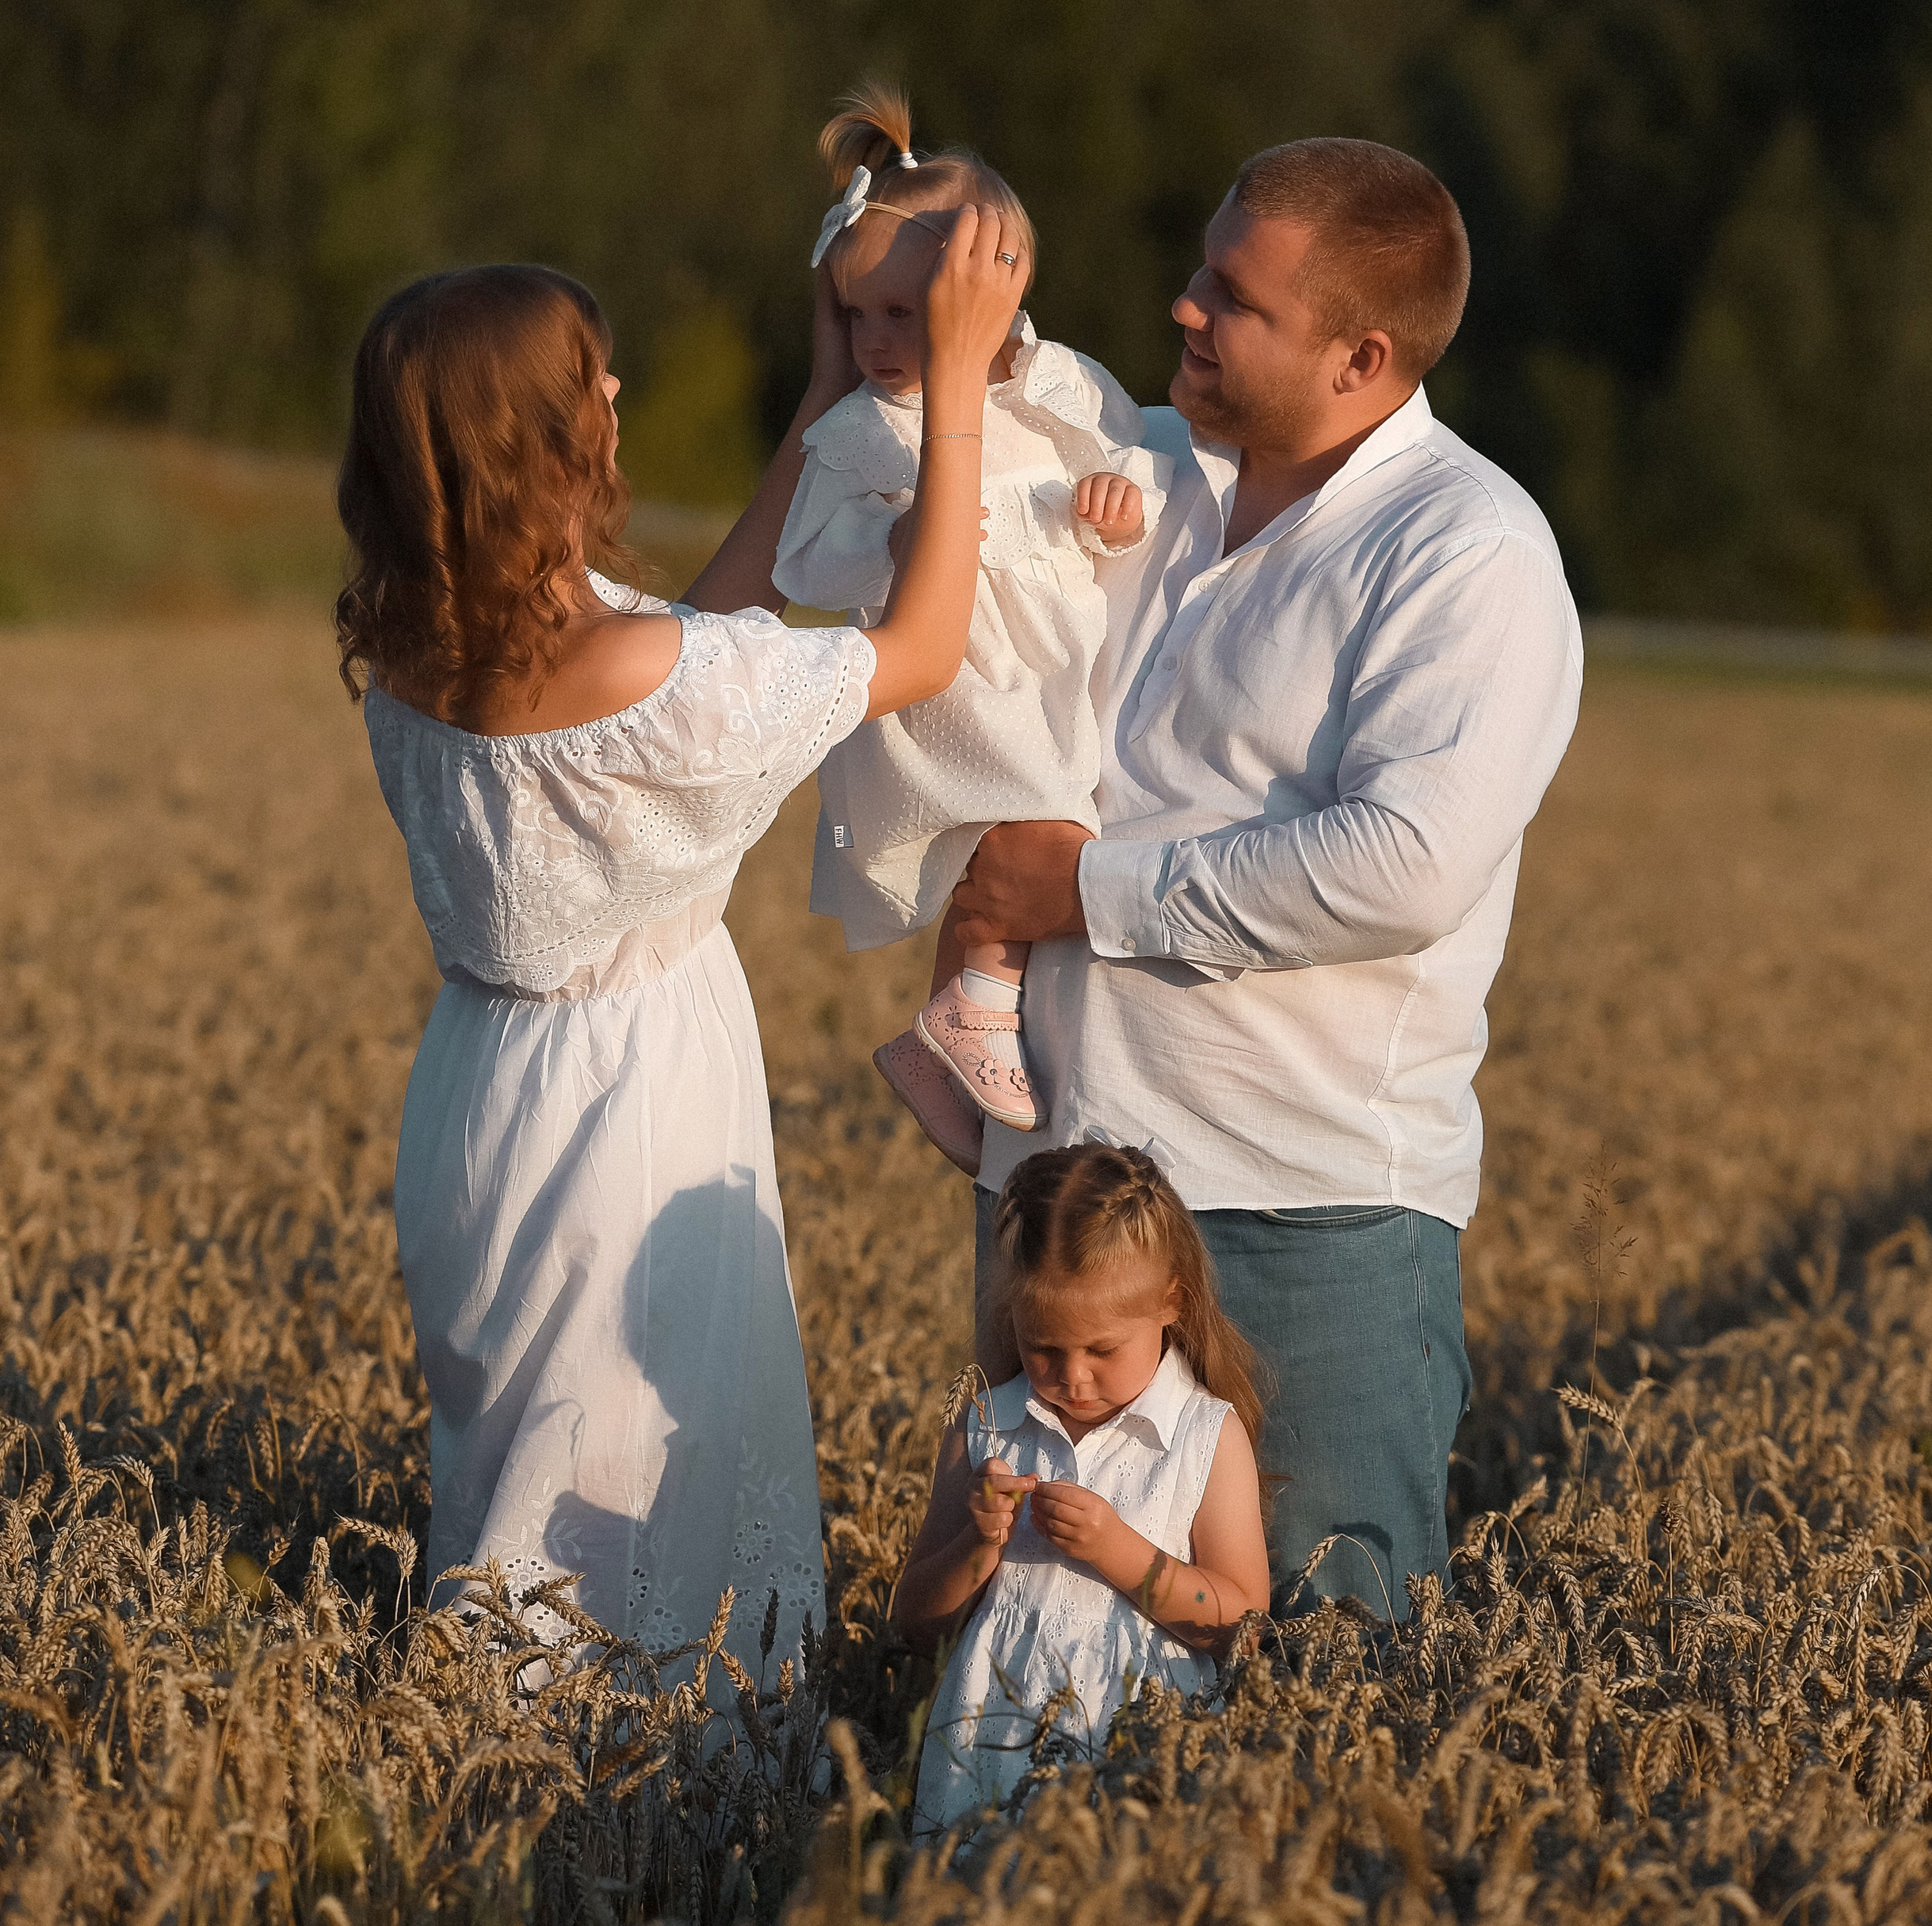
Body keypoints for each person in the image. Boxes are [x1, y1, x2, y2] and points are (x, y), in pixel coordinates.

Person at [338, 219, 1024, 1680]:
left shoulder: (425, 643)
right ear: (543, 438)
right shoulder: (627, 671)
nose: (620, 395)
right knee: (633, 1463)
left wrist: (818, 404)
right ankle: (629, 1782)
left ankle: (504, 1744)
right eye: (595, 380)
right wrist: (954, 379)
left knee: (522, 1446)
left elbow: (698, 641)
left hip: (480, 1089)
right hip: (625, 1104)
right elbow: (920, 649)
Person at [952, 139, 1583, 1626]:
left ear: (1365, 358)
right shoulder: (1148, 480)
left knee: (1324, 1665)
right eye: (1197, 273)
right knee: (1044, 1651)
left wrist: (1086, 894)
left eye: (1231, 301)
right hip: (1065, 1195)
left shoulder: (1468, 548)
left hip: (1300, 1213)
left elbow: (1407, 864)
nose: (1180, 311)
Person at [773, 83, 1162, 1174]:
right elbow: (804, 556)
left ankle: (948, 1035)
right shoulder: (865, 430)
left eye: (904, 313)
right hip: (948, 676)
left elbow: (1132, 472)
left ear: (998, 289)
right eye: (858, 314)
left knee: (1040, 823)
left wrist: (1119, 515)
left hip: (1049, 667)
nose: (878, 340)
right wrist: (889, 552)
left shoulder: (1064, 388)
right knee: (1037, 826)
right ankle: (970, 1013)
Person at [896, 1144, 1270, 1832]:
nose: (1073, 1376)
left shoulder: (1205, 1435)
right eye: (1044, 1347)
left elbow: (1239, 1623)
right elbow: (915, 1621)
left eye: (1102, 1350)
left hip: (1144, 1755)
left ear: (1172, 1303)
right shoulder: (987, 1421)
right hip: (986, 1753)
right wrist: (978, 1547)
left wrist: (1117, 1550)